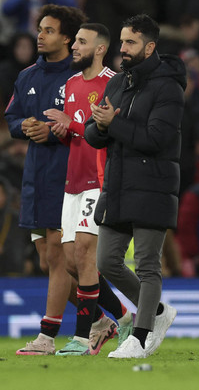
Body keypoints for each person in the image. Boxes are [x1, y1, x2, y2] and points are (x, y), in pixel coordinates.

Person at [85, 14, 185, 359]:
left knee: (147, 265)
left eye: (131, 43)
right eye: (122, 41)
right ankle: (156, 311)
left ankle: (140, 338)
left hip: (153, 185)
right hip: (119, 184)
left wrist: (114, 123)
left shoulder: (169, 86)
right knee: (108, 261)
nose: (123, 49)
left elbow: (157, 140)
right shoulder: (119, 83)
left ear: (150, 47)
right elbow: (93, 134)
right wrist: (100, 126)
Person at [44, 22, 133, 356]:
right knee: (70, 262)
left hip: (100, 178)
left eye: (81, 42)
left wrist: (74, 125)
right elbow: (74, 132)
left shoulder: (114, 82)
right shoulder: (69, 84)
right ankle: (122, 318)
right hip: (73, 180)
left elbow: (108, 131)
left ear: (99, 48)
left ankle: (83, 338)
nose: (75, 47)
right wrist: (61, 129)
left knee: (83, 253)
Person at [5, 4, 87, 355]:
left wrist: (52, 132)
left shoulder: (80, 77)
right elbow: (11, 117)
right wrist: (23, 126)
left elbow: (87, 123)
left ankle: (47, 337)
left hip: (67, 174)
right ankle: (107, 318)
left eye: (49, 30)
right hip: (35, 176)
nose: (40, 34)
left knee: (57, 256)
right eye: (40, 28)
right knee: (49, 261)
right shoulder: (26, 77)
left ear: (67, 39)